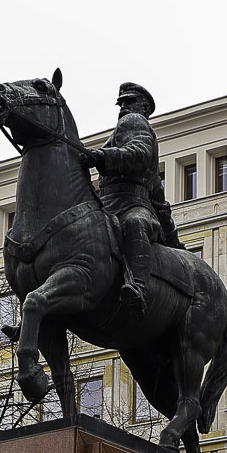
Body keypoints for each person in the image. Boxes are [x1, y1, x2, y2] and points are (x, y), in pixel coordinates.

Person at [74, 82, 180, 315]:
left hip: (134, 205)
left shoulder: (136, 123)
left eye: (129, 101)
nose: (123, 106)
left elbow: (140, 155)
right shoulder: (118, 134)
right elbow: (162, 202)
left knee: (134, 223)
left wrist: (101, 157)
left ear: (143, 107)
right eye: (120, 102)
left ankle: (138, 288)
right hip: (107, 207)